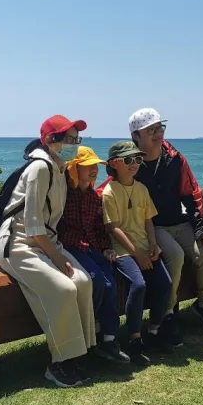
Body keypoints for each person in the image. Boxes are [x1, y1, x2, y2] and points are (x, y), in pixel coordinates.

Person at [0, 115, 96, 388]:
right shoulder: (40, 168)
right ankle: (59, 363)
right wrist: (58, 258)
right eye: (68, 139)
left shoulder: (60, 168)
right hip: (18, 245)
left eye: (77, 140)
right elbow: (32, 227)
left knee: (83, 282)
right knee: (64, 289)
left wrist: (57, 254)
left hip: (45, 241)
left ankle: (78, 352)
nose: (73, 145)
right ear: (51, 141)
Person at [130, 108, 203, 342]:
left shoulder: (175, 159)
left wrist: (200, 228)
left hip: (180, 223)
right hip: (154, 227)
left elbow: (191, 193)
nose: (157, 133)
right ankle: (167, 314)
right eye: (150, 130)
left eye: (160, 127)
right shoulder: (132, 163)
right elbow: (111, 190)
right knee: (175, 255)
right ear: (135, 137)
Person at [57, 145, 130, 363]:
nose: (94, 170)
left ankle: (108, 338)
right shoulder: (64, 195)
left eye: (95, 166)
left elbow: (98, 227)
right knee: (99, 282)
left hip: (92, 247)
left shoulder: (92, 196)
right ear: (74, 168)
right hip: (71, 247)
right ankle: (92, 329)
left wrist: (107, 247)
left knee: (110, 282)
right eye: (87, 166)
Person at [103, 140, 173, 364]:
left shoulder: (141, 189)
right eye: (129, 160)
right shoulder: (109, 192)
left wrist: (152, 245)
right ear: (114, 163)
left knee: (165, 283)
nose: (134, 164)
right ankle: (134, 339)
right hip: (124, 251)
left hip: (145, 247)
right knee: (138, 284)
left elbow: (148, 221)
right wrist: (136, 253)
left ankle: (153, 331)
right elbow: (112, 228)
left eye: (138, 159)